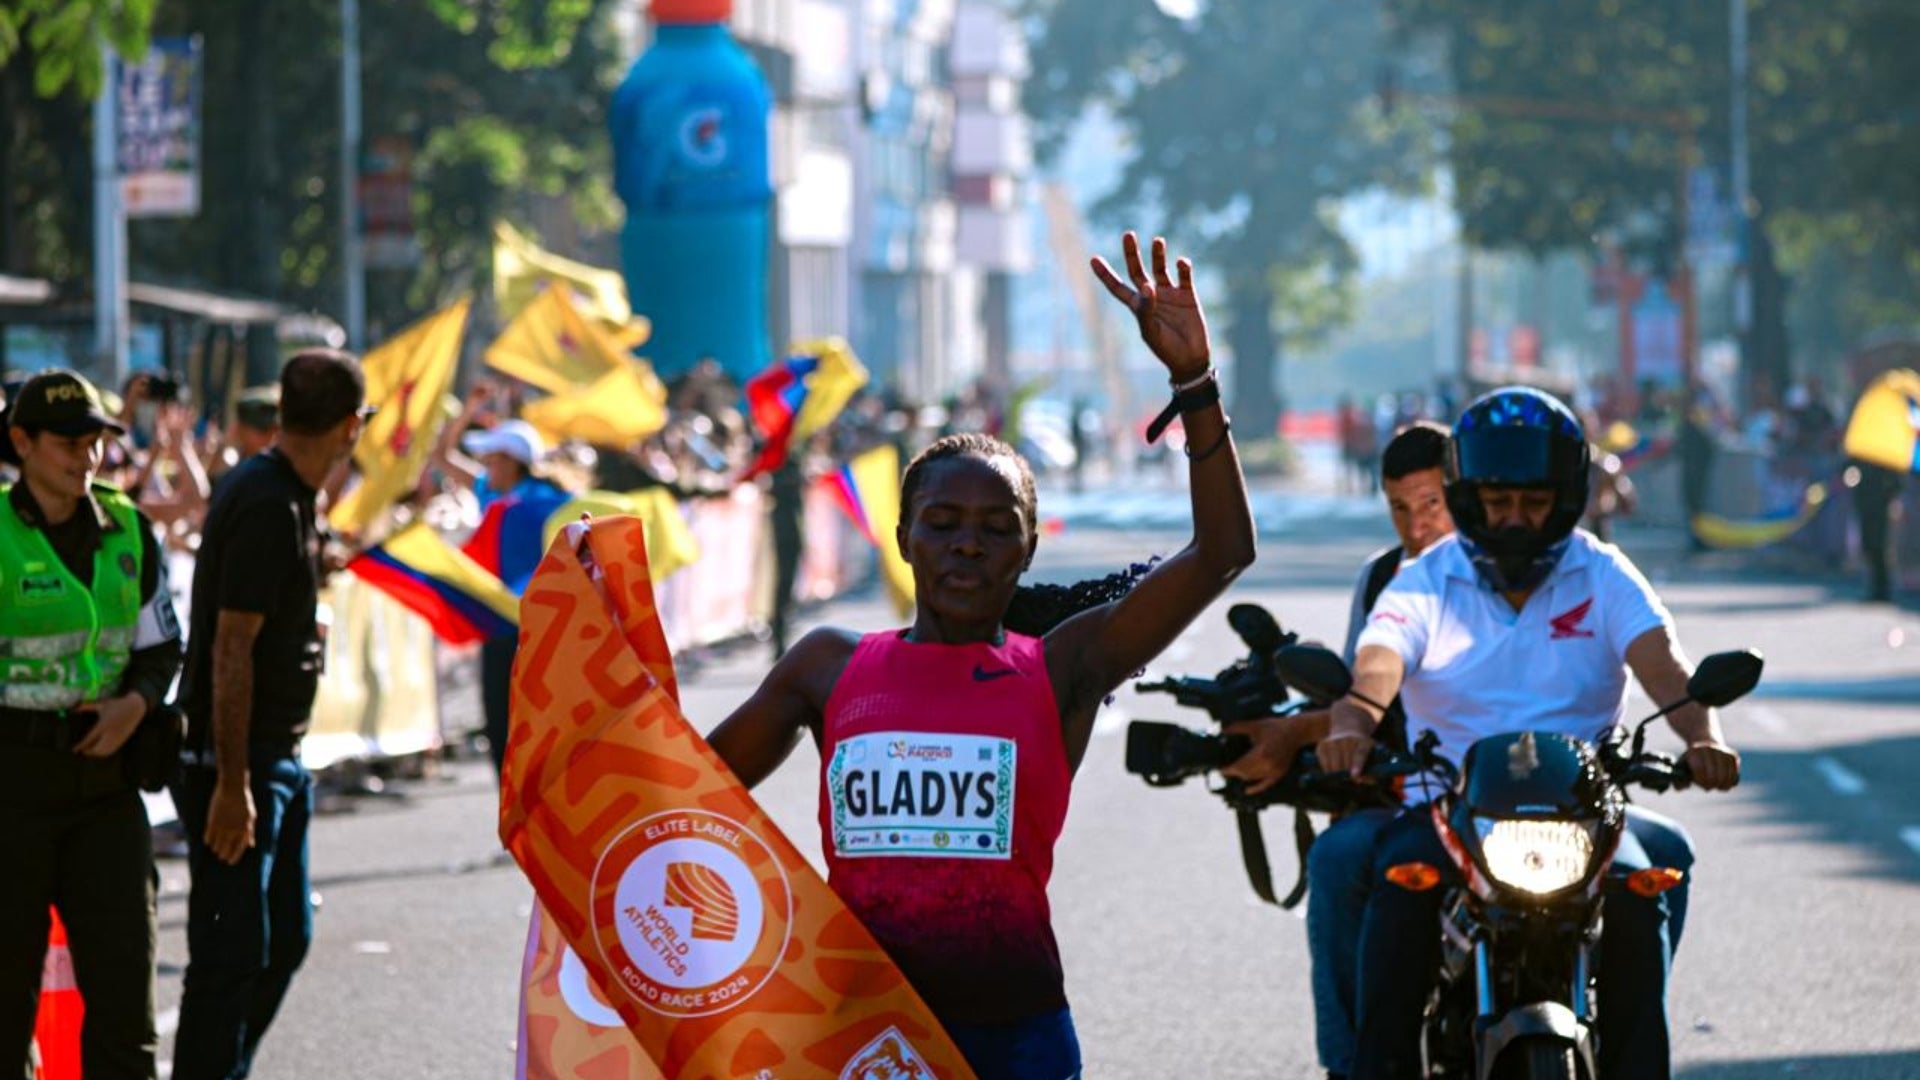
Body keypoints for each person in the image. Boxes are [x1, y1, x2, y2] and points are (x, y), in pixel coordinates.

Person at [704, 232, 1254, 1079]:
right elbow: (687, 795)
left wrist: (1194, 383)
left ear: (1027, 553)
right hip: (858, 1037)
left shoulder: (1062, 665)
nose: (968, 547)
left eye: (998, 530)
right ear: (904, 537)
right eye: (944, 524)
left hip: (1015, 1040)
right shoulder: (826, 666)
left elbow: (1219, 552)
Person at [1313, 387, 1740, 1080]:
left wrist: (1705, 738)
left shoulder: (1602, 573)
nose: (1514, 518)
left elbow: (1669, 672)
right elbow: (1376, 667)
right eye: (1496, 501)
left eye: (1534, 501)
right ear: (1467, 496)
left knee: (1646, 883)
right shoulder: (1425, 581)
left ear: (1567, 495)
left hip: (1584, 818)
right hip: (1448, 813)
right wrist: (1352, 725)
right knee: (1398, 890)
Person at [1222, 419, 1451, 1080]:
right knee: (1338, 855)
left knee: (1658, 861)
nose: (1416, 528)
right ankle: (1351, 1068)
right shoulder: (1384, 578)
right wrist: (1312, 732)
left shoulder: (1530, 571)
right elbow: (1361, 693)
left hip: (1531, 801)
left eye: (1431, 505)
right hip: (1408, 798)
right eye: (1400, 510)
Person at [171, 349, 370, 1080]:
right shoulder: (266, 501)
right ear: (351, 425)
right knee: (229, 957)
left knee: (284, 939)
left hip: (274, 758)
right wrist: (231, 783)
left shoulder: (286, 493)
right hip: (239, 764)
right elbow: (230, 649)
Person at [1, 369, 184, 1080]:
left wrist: (134, 705)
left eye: (98, 440)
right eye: (68, 442)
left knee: (123, 1017)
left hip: (107, 794)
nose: (88, 456)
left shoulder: (128, 527)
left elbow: (162, 646)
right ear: (21, 442)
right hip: (11, 795)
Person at [435, 387, 573, 775]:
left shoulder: (555, 501)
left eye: (493, 458)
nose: (486, 466)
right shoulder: (489, 492)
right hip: (498, 621)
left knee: (542, 720)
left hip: (543, 626)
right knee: (499, 720)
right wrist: (468, 410)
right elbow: (440, 456)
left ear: (513, 462)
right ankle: (512, 812)